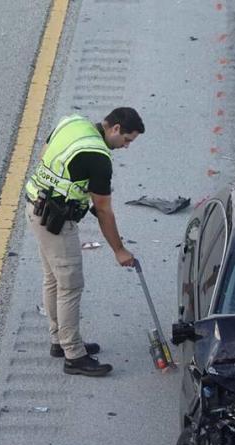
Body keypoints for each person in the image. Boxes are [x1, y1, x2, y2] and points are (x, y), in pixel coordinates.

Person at [24, 107, 144, 376]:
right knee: (70, 285)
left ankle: (59, 341)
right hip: (56, 222)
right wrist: (119, 250)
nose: (126, 147)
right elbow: (103, 210)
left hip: (35, 207)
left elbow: (45, 155)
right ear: (114, 129)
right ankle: (74, 356)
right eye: (127, 140)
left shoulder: (72, 123)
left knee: (53, 279)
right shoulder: (99, 157)